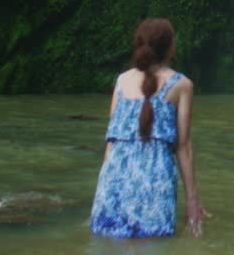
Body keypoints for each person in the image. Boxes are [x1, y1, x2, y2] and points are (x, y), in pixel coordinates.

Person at [90, 18, 211, 238]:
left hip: (114, 178)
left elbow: (112, 140)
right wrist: (192, 203)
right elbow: (183, 147)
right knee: (153, 245)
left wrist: (101, 192)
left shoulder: (121, 80)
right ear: (171, 47)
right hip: (155, 181)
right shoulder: (182, 85)